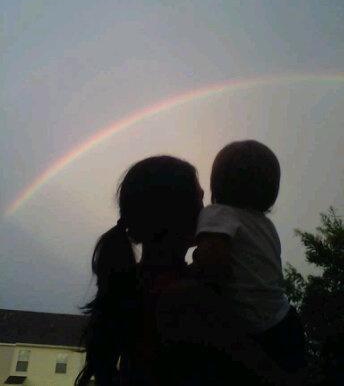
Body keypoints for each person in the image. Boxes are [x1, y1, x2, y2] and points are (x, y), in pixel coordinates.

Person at [75, 155, 292, 386]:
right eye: (200, 199)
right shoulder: (187, 297)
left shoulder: (134, 284)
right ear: (178, 213)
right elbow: (268, 374)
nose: (209, 209)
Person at [193, 140, 306, 376]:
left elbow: (213, 266)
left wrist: (186, 276)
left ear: (217, 182)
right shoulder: (266, 226)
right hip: (284, 322)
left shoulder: (218, 214)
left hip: (253, 331)